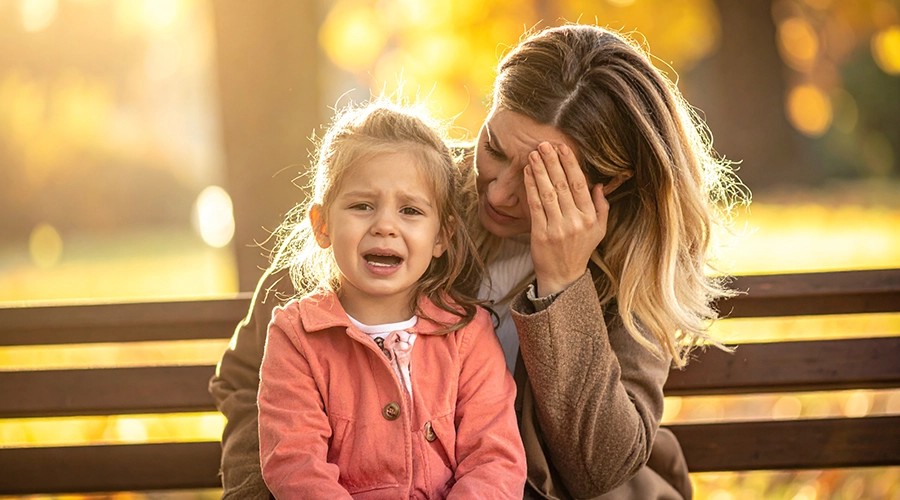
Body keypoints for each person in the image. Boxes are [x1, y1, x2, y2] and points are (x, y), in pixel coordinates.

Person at [210, 23, 746, 500]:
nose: (499, 193)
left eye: (540, 181)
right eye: (495, 147)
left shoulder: (635, 267)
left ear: (610, 184)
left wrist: (563, 283)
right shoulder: (409, 195)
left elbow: (596, 470)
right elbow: (245, 376)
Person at [253, 101, 527, 499]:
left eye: (410, 210)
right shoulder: (297, 337)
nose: (384, 225)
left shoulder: (466, 334)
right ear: (322, 224)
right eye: (362, 206)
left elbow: (495, 460)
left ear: (441, 237)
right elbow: (295, 465)